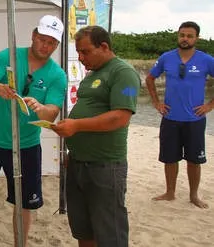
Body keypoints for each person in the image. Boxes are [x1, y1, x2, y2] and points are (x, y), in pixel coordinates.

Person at [0, 15, 67, 247]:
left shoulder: (57, 74)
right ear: (34, 35)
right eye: (42, 39)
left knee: (24, 204)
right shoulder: (8, 55)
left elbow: (52, 113)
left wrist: (41, 108)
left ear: (57, 45)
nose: (45, 46)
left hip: (26, 146)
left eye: (51, 43)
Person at [53, 26, 140, 247]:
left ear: (104, 46)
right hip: (78, 163)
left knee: (110, 233)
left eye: (85, 52)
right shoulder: (93, 74)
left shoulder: (124, 73)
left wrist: (76, 125)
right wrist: (73, 151)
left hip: (105, 166)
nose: (81, 58)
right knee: (83, 230)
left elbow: (120, 117)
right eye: (78, 52)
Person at [146, 21, 214, 209]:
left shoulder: (206, 60)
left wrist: (210, 105)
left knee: (194, 160)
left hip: (195, 120)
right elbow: (150, 78)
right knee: (170, 158)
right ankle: (170, 192)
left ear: (197, 38)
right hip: (170, 118)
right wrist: (156, 102)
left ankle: (194, 195)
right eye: (182, 35)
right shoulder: (167, 58)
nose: (185, 39)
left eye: (189, 36)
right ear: (178, 36)